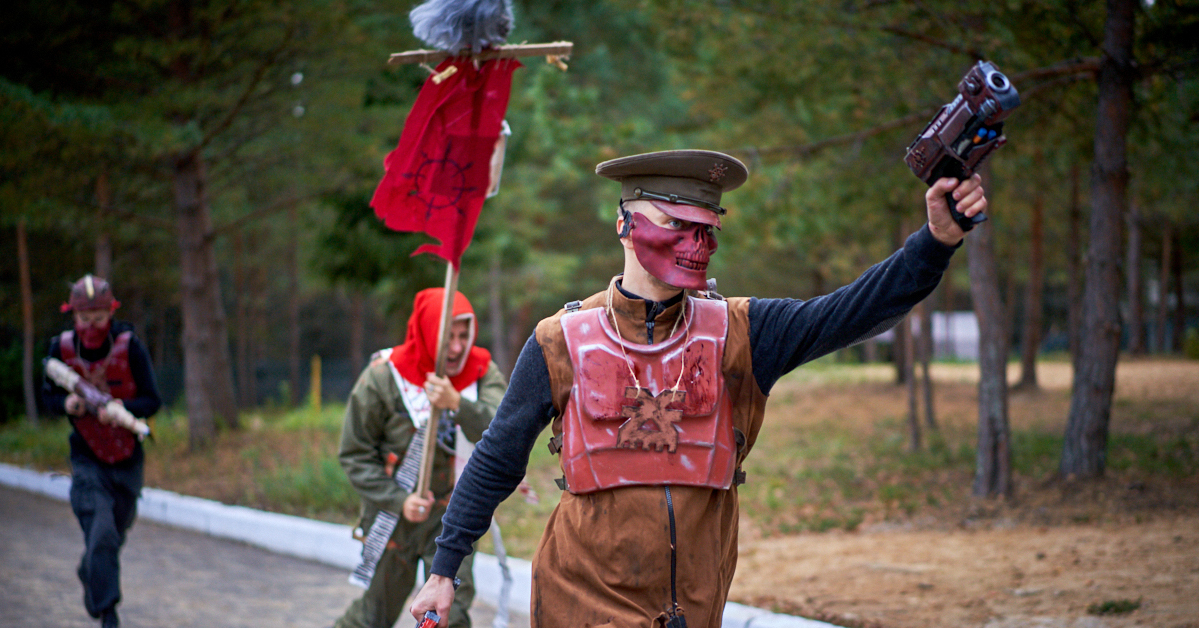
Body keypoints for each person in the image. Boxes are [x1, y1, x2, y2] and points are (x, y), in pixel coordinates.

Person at [410, 149, 988, 627]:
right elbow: (498, 457)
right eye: (677, 223)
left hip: (690, 606)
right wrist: (444, 570)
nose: (698, 242)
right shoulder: (559, 340)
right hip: (580, 598)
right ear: (625, 224)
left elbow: (856, 310)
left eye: (709, 227)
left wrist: (935, 242)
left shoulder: (743, 332)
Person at [333, 288, 508, 628]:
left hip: (451, 520)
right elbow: (355, 454)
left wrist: (458, 403)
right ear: (428, 332)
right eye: (448, 336)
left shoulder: (483, 372)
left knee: (448, 617)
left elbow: (503, 433)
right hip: (392, 518)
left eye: (464, 335)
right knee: (373, 616)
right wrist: (399, 500)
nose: (458, 347)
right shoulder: (383, 377)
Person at [42, 275, 162, 628]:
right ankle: (109, 614)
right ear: (73, 316)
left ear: (110, 314)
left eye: (98, 318)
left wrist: (122, 407)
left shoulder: (130, 346)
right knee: (102, 530)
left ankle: (90, 569)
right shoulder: (59, 351)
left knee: (114, 535)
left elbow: (152, 401)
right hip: (86, 459)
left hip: (128, 459)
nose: (91, 326)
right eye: (84, 319)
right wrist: (68, 403)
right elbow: (45, 397)